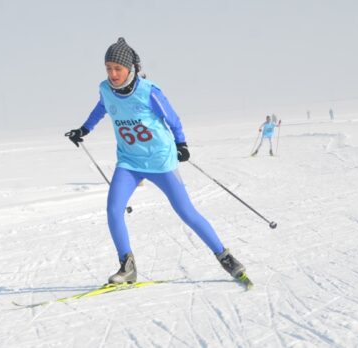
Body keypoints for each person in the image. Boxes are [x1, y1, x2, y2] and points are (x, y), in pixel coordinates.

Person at [65, 37, 247, 285]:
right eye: (108, 68)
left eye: (117, 68)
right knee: (113, 210)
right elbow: (102, 107)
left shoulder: (148, 91)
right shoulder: (106, 89)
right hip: (129, 162)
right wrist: (83, 130)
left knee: (186, 212)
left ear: (130, 69)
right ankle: (127, 266)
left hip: (160, 162)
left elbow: (173, 119)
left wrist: (181, 143)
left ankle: (225, 257)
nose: (113, 73)